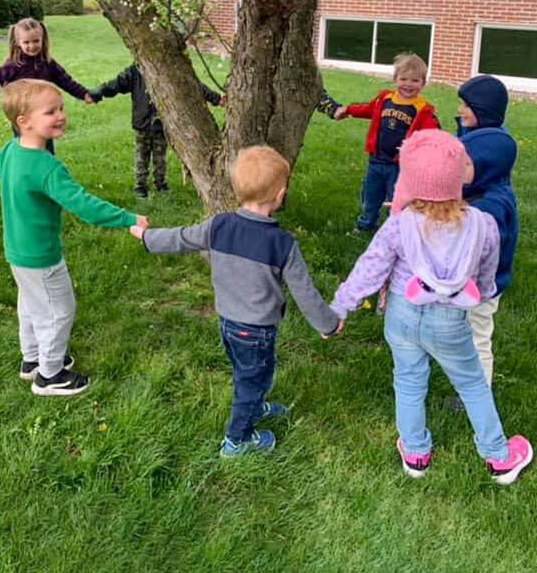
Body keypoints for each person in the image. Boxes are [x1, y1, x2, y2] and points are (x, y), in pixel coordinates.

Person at [330, 130, 531, 484]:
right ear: (458, 177)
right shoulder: (483, 226)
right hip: (450, 322)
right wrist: (481, 295)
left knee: (408, 380)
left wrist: (340, 306)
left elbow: (369, 269)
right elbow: (487, 275)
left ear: (409, 178)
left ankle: (415, 453)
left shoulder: (399, 225)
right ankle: (498, 457)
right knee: (471, 384)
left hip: (401, 316)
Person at [131, 145, 343, 458]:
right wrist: (328, 324)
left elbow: (181, 237)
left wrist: (147, 237)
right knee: (252, 379)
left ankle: (254, 406)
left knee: (252, 371)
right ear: (281, 195)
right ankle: (236, 440)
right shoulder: (282, 243)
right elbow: (304, 291)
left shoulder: (218, 225)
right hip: (256, 330)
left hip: (227, 323)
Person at [0, 78, 145, 396]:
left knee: (31, 306)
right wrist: (127, 219)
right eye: (50, 112)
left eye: (60, 109)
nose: (60, 115)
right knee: (58, 311)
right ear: (24, 122)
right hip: (41, 256)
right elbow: (85, 205)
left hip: (17, 252)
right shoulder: (46, 167)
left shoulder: (11, 151)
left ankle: (31, 360)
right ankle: (50, 375)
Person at [455, 75, 518, 387]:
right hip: (471, 282)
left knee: (476, 336)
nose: (460, 110)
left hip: (482, 284)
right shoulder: (489, 146)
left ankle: (476, 395)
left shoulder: (490, 207)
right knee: (464, 332)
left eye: (465, 106)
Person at [334, 53, 439, 232]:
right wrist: (349, 109)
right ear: (395, 79)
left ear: (423, 83)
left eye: (415, 80)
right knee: (370, 195)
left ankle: (396, 229)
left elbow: (432, 134)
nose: (408, 84)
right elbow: (367, 109)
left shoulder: (422, 109)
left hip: (400, 165)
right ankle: (366, 224)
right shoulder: (385, 99)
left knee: (397, 198)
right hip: (375, 160)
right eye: (403, 79)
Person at [90, 63, 225, 197]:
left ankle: (160, 183)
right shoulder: (135, 71)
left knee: (160, 157)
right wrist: (98, 92)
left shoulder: (168, 70)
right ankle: (140, 185)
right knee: (141, 156)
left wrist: (216, 98)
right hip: (142, 123)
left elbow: (193, 86)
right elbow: (116, 84)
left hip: (162, 123)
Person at [0, 18, 95, 155]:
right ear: (18, 43)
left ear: (43, 39)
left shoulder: (48, 64)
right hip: (22, 116)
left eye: (36, 41)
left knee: (45, 149)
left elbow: (66, 81)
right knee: (24, 147)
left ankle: (46, 171)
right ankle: (23, 170)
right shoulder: (12, 66)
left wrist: (84, 94)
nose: (32, 45)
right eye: (26, 42)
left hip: (44, 115)